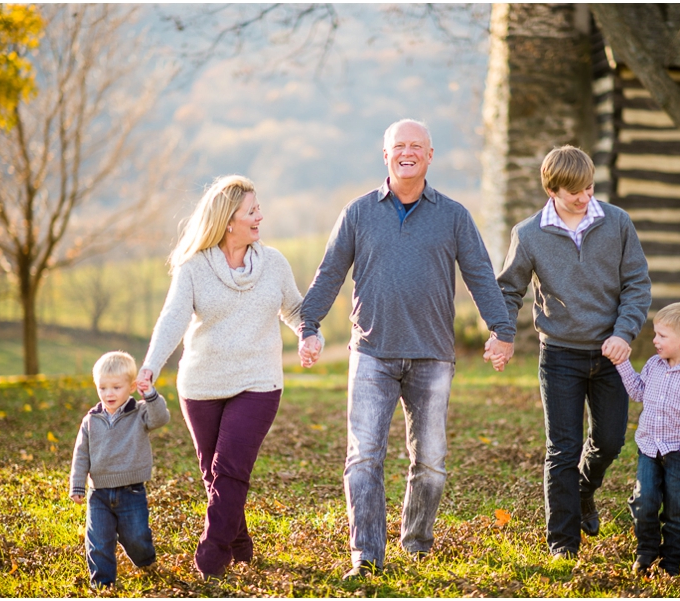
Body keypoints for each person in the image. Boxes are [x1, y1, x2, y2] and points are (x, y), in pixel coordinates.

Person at [298, 118, 516, 580]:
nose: (407, 152)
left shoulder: (454, 215)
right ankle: (367, 556)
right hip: (372, 353)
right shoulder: (358, 212)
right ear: (386, 155)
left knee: (431, 463)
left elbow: (480, 273)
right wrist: (309, 324)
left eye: (416, 145)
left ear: (430, 156)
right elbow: (330, 272)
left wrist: (502, 329)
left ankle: (416, 542)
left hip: (432, 355)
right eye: (399, 146)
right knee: (362, 458)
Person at [137, 175, 323, 579]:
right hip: (202, 385)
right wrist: (151, 364)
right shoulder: (193, 268)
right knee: (214, 475)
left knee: (230, 469)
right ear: (227, 221)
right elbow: (173, 319)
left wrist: (310, 335)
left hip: (259, 382)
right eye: (252, 211)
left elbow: (295, 309)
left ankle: (212, 558)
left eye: (259, 208)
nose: (260, 216)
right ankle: (239, 546)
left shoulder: (273, 263)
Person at [494, 145, 652, 560]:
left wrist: (624, 333)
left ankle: (583, 491)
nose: (584, 197)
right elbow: (508, 290)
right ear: (552, 190)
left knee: (611, 440)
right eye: (574, 192)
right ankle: (563, 542)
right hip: (560, 354)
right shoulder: (528, 234)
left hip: (611, 355)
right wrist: (503, 334)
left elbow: (637, 284)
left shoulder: (617, 223)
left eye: (589, 188)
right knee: (562, 449)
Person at [610, 302, 680, 577]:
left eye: (661, 336)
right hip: (648, 448)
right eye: (655, 334)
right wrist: (622, 363)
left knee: (677, 512)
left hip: (679, 454)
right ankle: (646, 551)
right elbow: (637, 392)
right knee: (644, 502)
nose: (654, 340)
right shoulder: (654, 366)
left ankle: (671, 563)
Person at [69, 350, 171, 589]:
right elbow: (81, 453)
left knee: (135, 538)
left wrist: (151, 395)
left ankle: (145, 561)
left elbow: (161, 418)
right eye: (103, 388)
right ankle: (103, 584)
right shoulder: (91, 420)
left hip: (131, 491)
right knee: (98, 541)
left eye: (116, 387)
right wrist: (77, 483)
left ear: (131, 386)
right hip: (99, 493)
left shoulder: (140, 412)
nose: (108, 394)